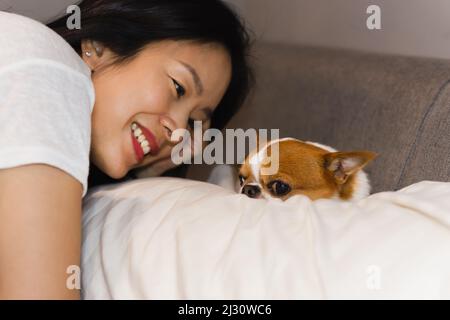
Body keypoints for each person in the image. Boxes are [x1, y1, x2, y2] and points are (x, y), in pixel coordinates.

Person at [0, 0, 254, 299]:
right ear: (99, 45)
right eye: (178, 88)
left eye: (195, 122)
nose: (178, 131)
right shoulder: (48, 67)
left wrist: (146, 177)